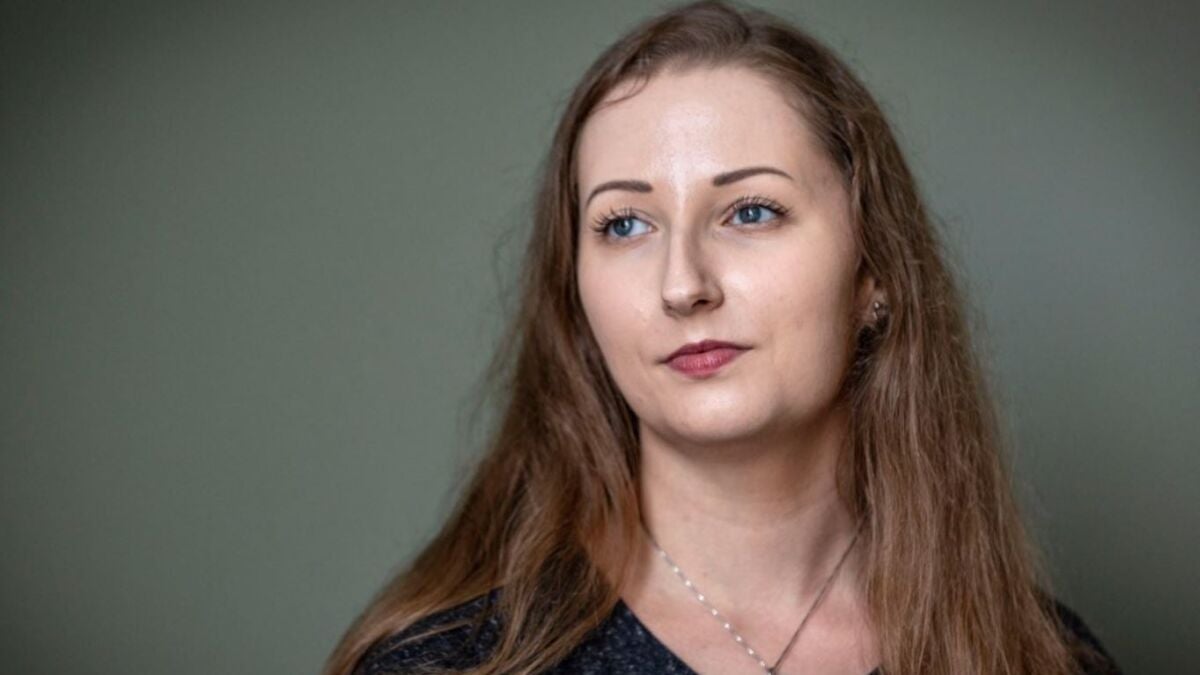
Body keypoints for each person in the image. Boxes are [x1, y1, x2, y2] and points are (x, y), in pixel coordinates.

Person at [324, 1, 1123, 673]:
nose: (683, 285)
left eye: (750, 211)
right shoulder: (450, 660)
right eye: (625, 224)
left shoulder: (1045, 657)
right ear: (577, 294)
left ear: (874, 270)